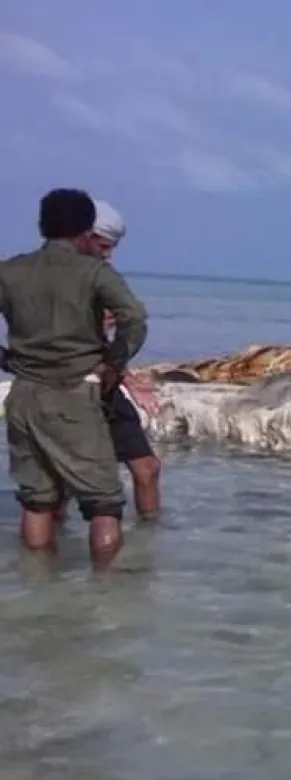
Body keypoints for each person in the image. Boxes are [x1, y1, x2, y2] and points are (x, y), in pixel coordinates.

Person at [0, 189, 149, 568]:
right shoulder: (94, 272)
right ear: (86, 231)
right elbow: (134, 317)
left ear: (42, 225)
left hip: (23, 396)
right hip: (74, 394)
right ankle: (105, 590)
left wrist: (5, 359)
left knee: (37, 501)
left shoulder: (10, 271)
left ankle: (38, 585)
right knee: (104, 504)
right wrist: (114, 363)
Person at [86, 199, 163, 521]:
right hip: (73, 386)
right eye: (104, 246)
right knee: (57, 484)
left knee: (147, 467)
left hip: (105, 384)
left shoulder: (102, 278)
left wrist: (126, 378)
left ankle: (150, 538)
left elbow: (101, 342)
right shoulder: (53, 280)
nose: (108, 255)